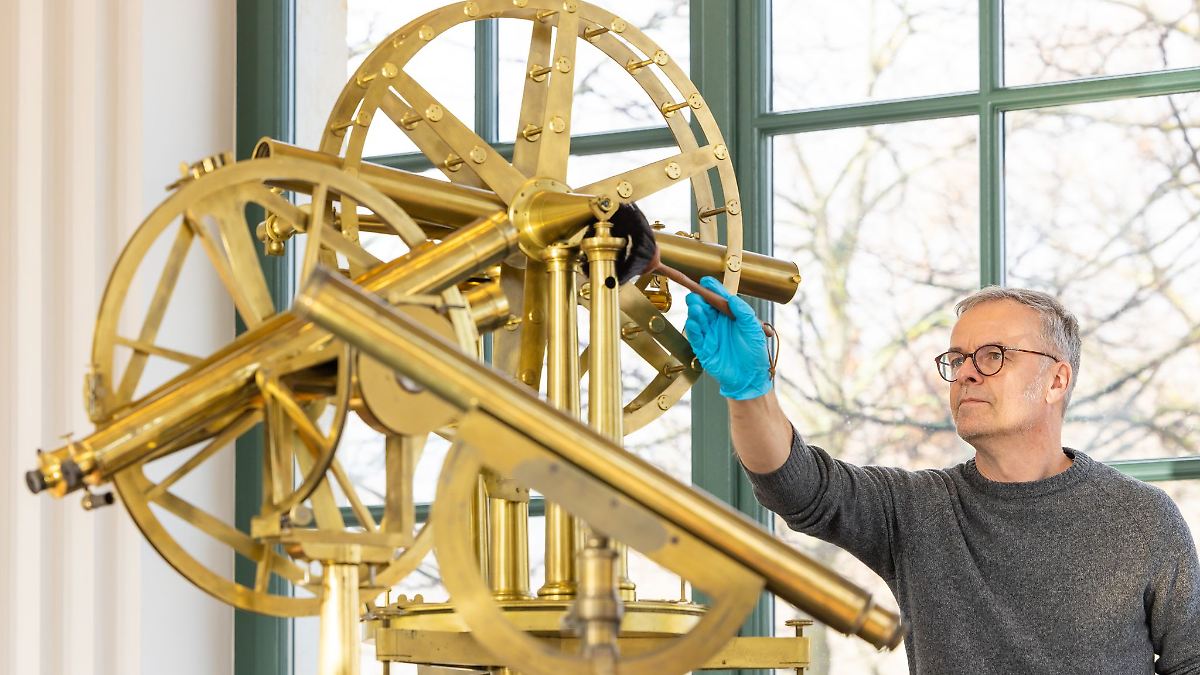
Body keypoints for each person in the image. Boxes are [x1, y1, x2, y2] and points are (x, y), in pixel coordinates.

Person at [684, 279, 1200, 675]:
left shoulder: (1143, 518)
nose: (968, 372)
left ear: (1056, 380)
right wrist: (750, 391)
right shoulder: (916, 511)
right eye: (957, 359)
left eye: (993, 355)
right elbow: (796, 485)